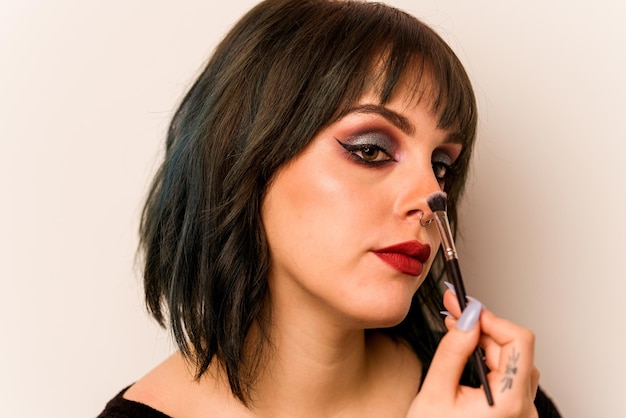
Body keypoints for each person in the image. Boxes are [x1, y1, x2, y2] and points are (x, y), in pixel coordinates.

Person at [98, 0, 561, 416]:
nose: (428, 199)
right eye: (371, 150)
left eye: (441, 166)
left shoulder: (495, 401)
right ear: (243, 159)